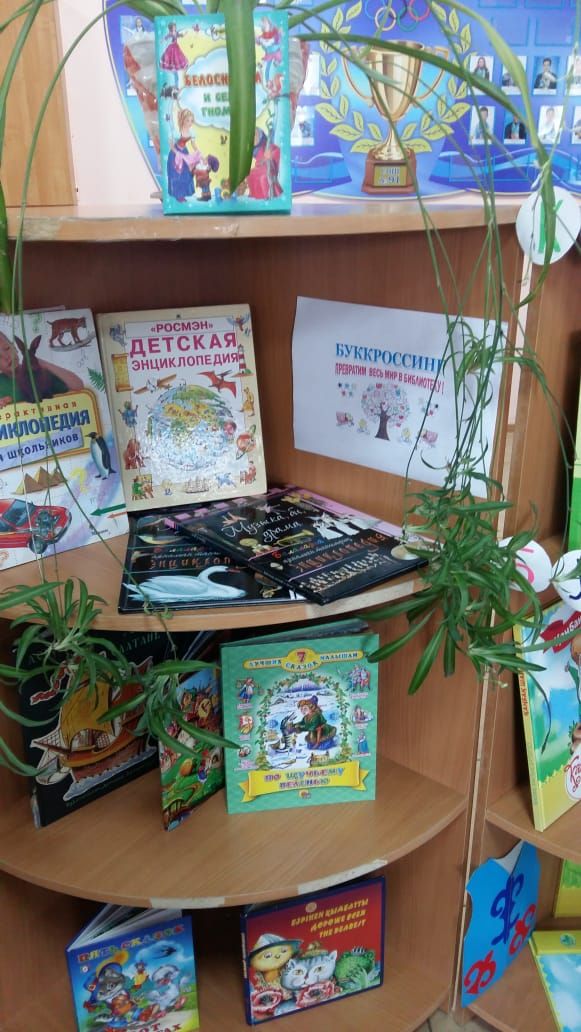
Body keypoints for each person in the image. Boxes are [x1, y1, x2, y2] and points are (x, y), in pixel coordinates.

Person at [0, 331, 83, 407]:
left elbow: (78, 385)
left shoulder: (40, 371)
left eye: (7, 348)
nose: (7, 357)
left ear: (14, 347)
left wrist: (42, 363)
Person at [167, 108, 202, 202]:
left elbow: (193, 144)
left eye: (191, 121)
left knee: (186, 174)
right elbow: (171, 144)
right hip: (175, 155)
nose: (190, 123)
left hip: (184, 153)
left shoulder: (191, 132)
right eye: (188, 120)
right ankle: (178, 195)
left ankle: (183, 193)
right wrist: (176, 153)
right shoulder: (176, 132)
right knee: (177, 175)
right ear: (183, 120)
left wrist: (199, 152)